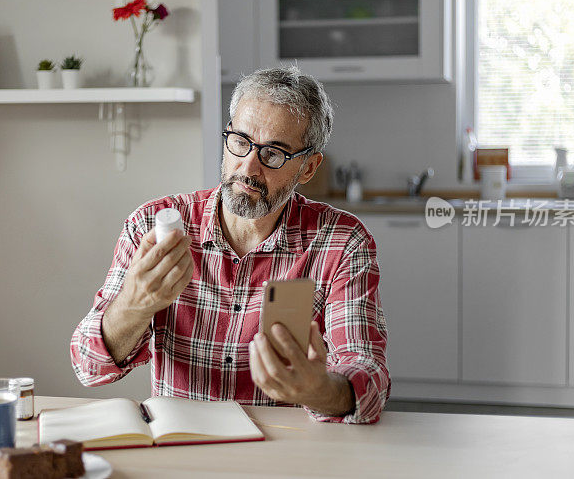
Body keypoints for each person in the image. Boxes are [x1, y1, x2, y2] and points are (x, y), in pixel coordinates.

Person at [70, 66, 390, 423]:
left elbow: (369, 376)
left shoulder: (342, 242)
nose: (249, 167)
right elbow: (88, 365)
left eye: (274, 153)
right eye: (240, 142)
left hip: (285, 455)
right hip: (182, 446)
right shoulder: (151, 224)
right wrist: (133, 306)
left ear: (308, 168)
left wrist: (320, 390)